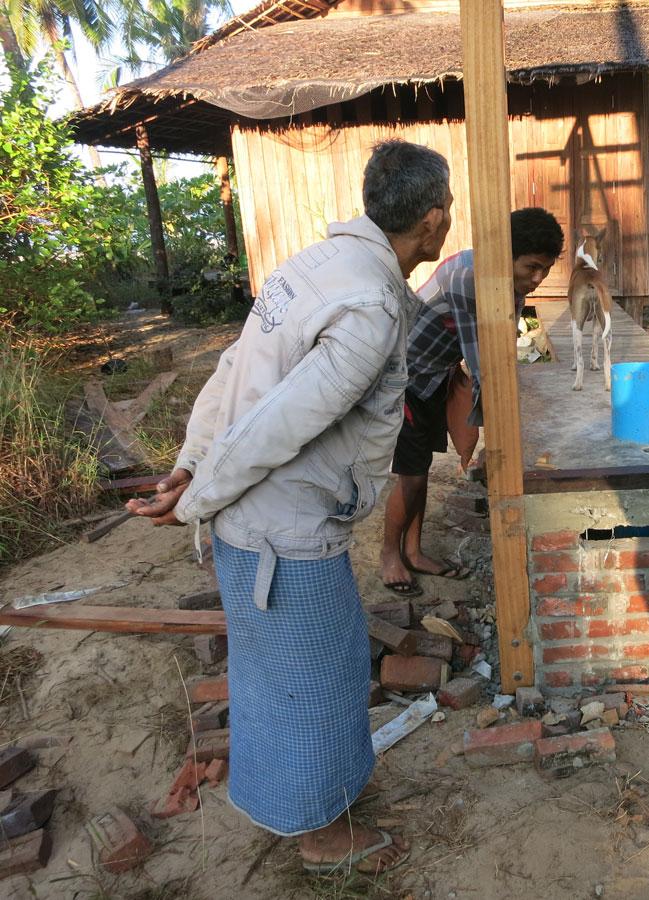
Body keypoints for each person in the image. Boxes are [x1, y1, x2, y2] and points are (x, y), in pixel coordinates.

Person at [126, 140, 453, 875]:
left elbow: (233, 371)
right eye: (449, 208)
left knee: (272, 672)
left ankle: (286, 801)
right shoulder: (368, 303)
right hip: (282, 529)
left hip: (253, 523)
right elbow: (278, 421)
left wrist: (188, 469)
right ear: (433, 220)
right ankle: (322, 838)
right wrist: (196, 496)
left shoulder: (317, 265)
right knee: (319, 681)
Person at [378, 207, 564, 596]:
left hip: (434, 378)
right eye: (532, 266)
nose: (538, 278)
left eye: (544, 270)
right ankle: (389, 557)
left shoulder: (509, 287)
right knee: (410, 476)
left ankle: (413, 551)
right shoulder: (469, 279)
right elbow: (485, 369)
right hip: (404, 378)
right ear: (505, 253)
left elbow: (503, 355)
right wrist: (501, 439)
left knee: (421, 470)